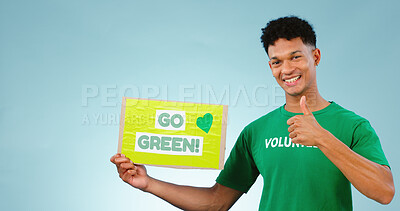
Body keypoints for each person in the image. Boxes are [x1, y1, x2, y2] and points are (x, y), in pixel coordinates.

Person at [110, 16, 395, 210]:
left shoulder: (354, 126)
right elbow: (216, 202)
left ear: (315, 57)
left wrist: (322, 138)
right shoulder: (256, 131)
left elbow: (384, 192)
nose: (287, 70)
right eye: (276, 62)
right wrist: (148, 183)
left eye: (296, 56)